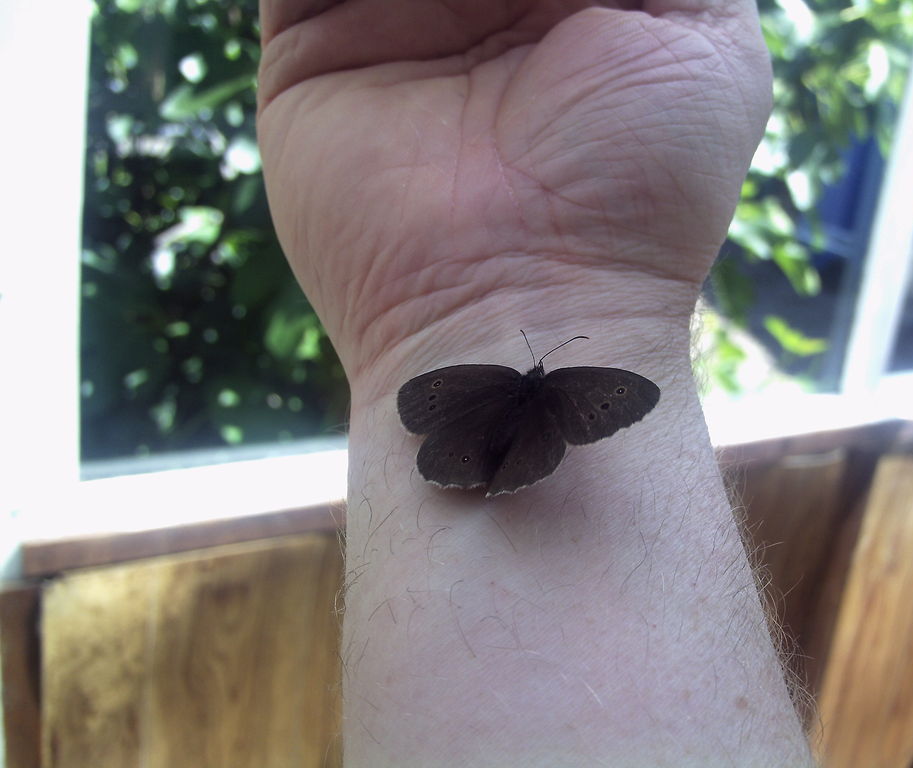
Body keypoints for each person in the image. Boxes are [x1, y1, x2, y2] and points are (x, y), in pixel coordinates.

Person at [257, 1, 815, 764]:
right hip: (538, 440)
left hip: (504, 428)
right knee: (511, 447)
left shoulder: (491, 379)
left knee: (490, 444)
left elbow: (423, 391)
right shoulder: (571, 389)